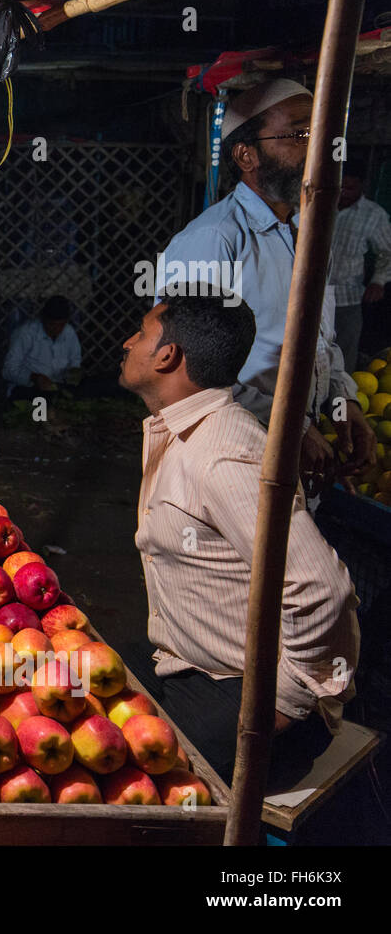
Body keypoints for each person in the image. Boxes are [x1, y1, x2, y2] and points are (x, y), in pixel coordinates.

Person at [118, 291, 360, 786]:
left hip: (241, 692)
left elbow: (322, 589)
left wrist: (285, 703)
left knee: (121, 787)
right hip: (186, 661)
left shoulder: (222, 455)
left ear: (168, 355)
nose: (128, 342)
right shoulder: (181, 432)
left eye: (140, 333)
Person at [157, 79, 376, 497]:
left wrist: (342, 402)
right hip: (233, 460)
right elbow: (185, 368)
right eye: (299, 134)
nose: (316, 148)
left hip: (297, 458)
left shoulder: (306, 235)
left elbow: (321, 340)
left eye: (320, 134)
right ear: (246, 155)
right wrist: (286, 429)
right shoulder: (214, 239)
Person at [329, 169, 391, 367]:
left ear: (361, 187)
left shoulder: (373, 215)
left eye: (350, 188)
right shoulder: (317, 204)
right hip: (309, 298)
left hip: (347, 300)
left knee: (343, 359)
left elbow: (387, 252)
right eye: (341, 187)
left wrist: (378, 281)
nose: (344, 193)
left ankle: (340, 399)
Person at [1, 295, 81, 399]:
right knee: (40, 400)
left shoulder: (69, 332)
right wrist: (34, 377)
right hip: (27, 388)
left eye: (61, 325)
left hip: (57, 388)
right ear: (43, 319)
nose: (56, 329)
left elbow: (75, 361)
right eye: (52, 324)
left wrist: (73, 373)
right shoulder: (25, 333)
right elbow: (8, 370)